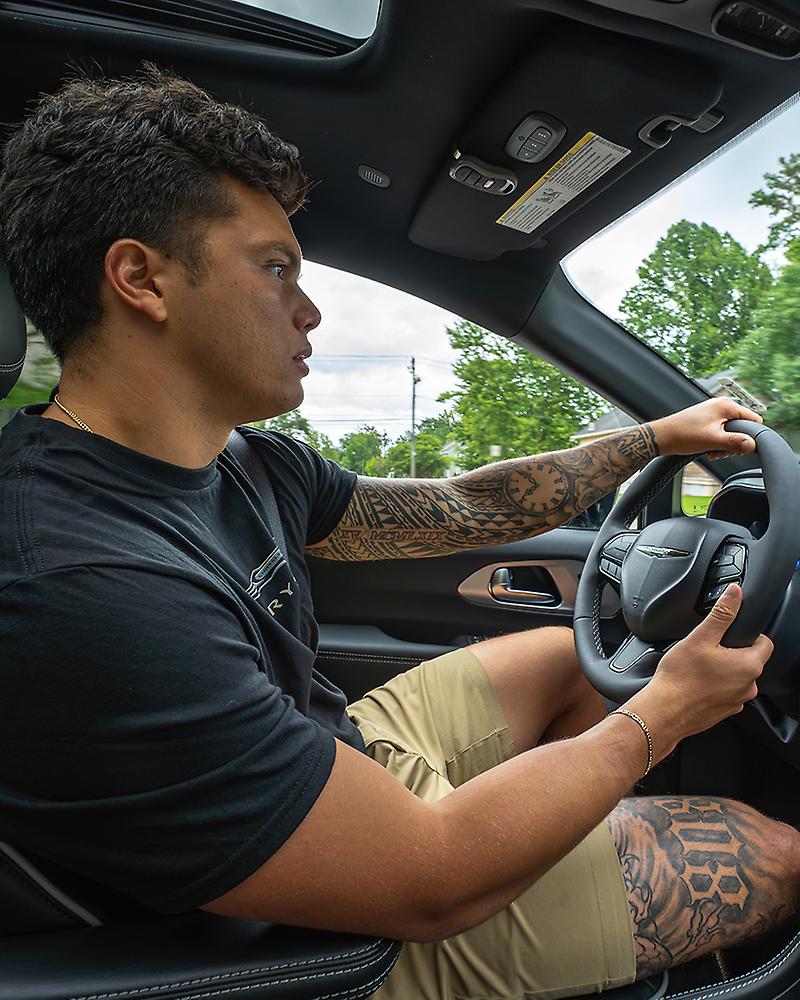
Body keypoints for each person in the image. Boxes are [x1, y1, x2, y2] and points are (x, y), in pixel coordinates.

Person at [0, 66, 795, 1000]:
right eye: (275, 268)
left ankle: (580, 906)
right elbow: (429, 876)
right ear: (142, 279)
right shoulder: (75, 579)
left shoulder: (247, 462)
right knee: (775, 852)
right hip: (312, 928)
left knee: (571, 658)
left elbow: (462, 509)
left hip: (335, 757)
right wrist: (662, 716)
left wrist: (654, 438)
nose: (309, 309)